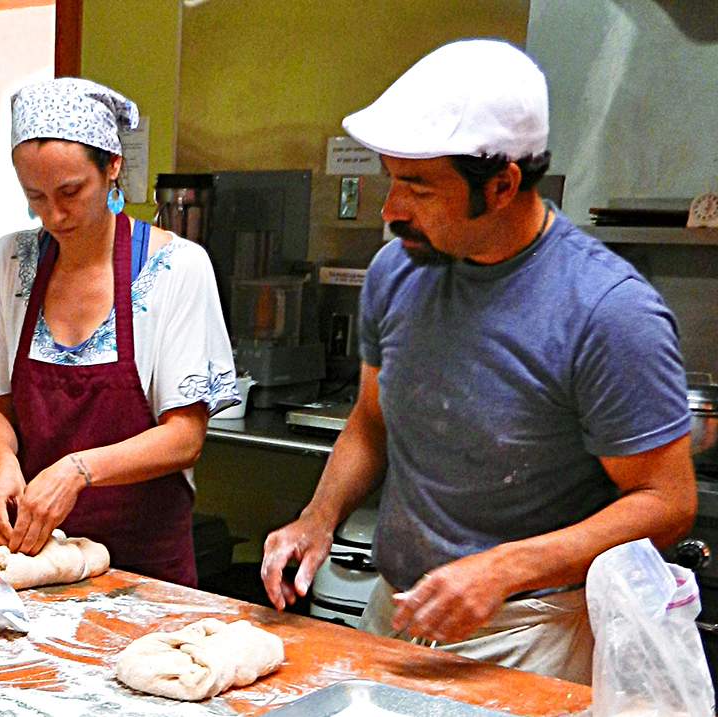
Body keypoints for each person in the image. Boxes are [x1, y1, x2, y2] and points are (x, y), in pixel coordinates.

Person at [261, 39, 697, 684]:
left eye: (417, 186)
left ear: (501, 185)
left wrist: (504, 567)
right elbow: (372, 420)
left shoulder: (606, 312)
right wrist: (316, 518)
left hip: (533, 632)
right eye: (390, 178)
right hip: (401, 614)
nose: (390, 211)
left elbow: (666, 500)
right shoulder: (397, 271)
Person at [0, 78, 239, 587]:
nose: (54, 215)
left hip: (146, 573)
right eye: (34, 196)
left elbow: (184, 437)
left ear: (112, 166)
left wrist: (77, 470)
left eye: (70, 192)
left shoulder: (176, 267)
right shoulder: (12, 262)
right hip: (35, 560)